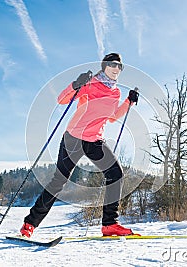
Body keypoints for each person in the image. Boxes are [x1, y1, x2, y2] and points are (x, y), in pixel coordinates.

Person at [20, 53, 139, 238]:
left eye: (120, 67)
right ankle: (29, 224)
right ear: (105, 66)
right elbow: (62, 100)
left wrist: (128, 102)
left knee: (116, 174)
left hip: (95, 141)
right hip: (73, 139)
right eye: (113, 65)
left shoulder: (115, 93)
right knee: (58, 181)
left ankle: (109, 224)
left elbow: (112, 117)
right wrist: (76, 84)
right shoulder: (89, 84)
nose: (117, 69)